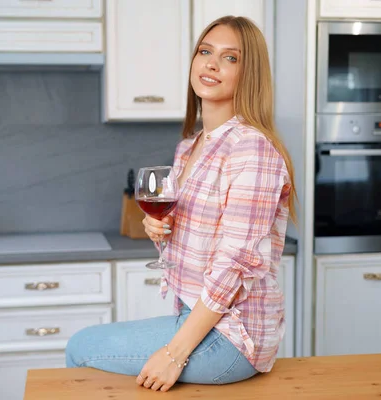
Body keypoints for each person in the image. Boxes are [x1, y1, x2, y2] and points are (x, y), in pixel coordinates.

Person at [65, 15, 297, 392]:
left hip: (233, 337)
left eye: (230, 58)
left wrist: (174, 353)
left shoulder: (252, 149)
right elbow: (190, 239)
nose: (211, 63)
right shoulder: (190, 147)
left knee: (80, 349)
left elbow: (234, 266)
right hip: (198, 317)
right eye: (205, 52)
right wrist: (159, 229)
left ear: (249, 73)